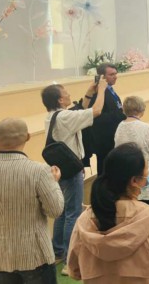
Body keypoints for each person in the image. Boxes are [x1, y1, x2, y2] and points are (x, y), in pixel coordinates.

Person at [67, 143, 149, 283]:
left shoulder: (84, 220)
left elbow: (74, 271)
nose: (148, 177)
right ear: (134, 181)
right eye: (146, 174)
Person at [0, 118, 64, 283]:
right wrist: (54, 183)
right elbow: (55, 210)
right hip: (35, 253)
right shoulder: (40, 171)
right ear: (28, 137)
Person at [41, 78, 107, 274]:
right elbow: (96, 111)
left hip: (60, 169)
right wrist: (102, 90)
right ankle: (70, 258)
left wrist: (89, 92)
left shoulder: (53, 116)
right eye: (66, 93)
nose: (69, 95)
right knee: (73, 213)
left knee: (62, 212)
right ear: (60, 100)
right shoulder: (65, 118)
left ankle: (57, 250)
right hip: (71, 171)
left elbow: (80, 111)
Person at [114, 96, 149, 207]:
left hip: (128, 177)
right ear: (141, 110)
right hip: (147, 179)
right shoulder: (146, 128)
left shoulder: (119, 127)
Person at [88, 62, 126, 174]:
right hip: (104, 141)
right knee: (104, 172)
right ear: (102, 77)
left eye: (116, 74)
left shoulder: (109, 89)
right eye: (111, 74)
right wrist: (122, 114)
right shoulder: (97, 93)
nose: (115, 76)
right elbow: (97, 118)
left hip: (112, 137)